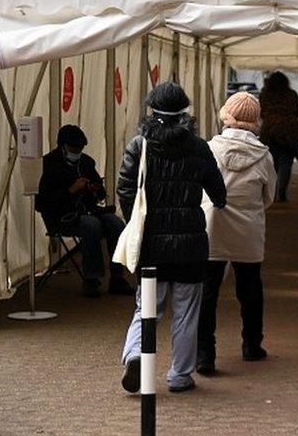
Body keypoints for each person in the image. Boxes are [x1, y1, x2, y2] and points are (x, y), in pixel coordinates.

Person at [117, 82, 227, 393]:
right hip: (191, 247)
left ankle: (136, 356)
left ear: (151, 109)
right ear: (184, 112)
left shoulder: (140, 145)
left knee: (147, 309)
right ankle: (180, 376)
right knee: (187, 313)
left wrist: (136, 222)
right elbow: (219, 193)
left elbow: (125, 189)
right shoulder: (198, 146)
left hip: (151, 245)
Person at [197, 93, 276, 375]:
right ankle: (251, 345)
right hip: (249, 229)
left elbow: (198, 188)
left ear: (226, 118)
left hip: (212, 226)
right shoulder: (263, 155)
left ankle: (205, 355)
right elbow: (269, 196)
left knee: (207, 292)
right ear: (254, 122)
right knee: (250, 288)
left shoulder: (209, 149)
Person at [36, 124, 135, 298]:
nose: (78, 152)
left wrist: (95, 189)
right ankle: (91, 278)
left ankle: (117, 276)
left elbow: (101, 193)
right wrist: (70, 191)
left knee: (116, 223)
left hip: (89, 211)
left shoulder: (86, 162)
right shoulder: (48, 164)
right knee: (91, 225)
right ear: (63, 146)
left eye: (80, 149)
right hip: (61, 217)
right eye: (74, 149)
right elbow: (42, 201)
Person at [259, 71, 298, 203]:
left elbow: (260, 113)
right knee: (286, 163)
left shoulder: (265, 95)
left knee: (271, 164)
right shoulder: (292, 95)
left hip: (270, 132)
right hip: (288, 133)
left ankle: (270, 194)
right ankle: (282, 193)